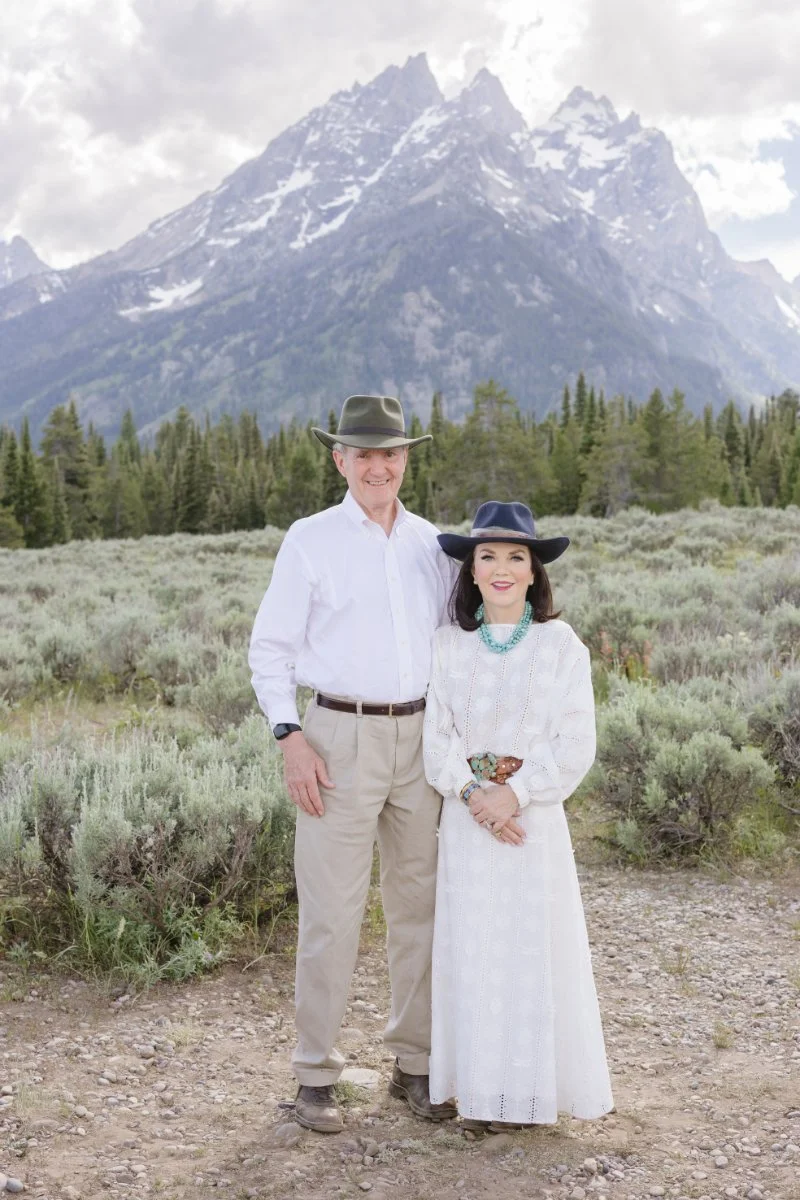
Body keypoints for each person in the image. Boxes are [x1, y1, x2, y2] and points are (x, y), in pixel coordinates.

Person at [249, 394, 458, 1134]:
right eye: (362, 453)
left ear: (407, 459)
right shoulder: (310, 540)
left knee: (422, 909)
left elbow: (455, 645)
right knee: (333, 914)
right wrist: (289, 736)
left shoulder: (433, 544)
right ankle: (314, 1076)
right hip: (336, 738)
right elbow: (270, 650)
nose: (378, 465)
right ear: (340, 459)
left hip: (421, 740)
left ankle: (416, 1064)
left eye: (390, 453)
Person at [423, 500, 614, 1130]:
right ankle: (479, 1095)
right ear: (470, 572)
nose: (501, 569)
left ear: (534, 571)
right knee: (474, 950)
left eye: (515, 557)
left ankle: (529, 1096)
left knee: (530, 949)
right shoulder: (449, 646)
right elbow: (438, 739)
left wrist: (518, 792)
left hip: (533, 821)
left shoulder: (561, 646)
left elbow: (576, 741)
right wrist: (476, 796)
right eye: (488, 557)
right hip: (469, 821)